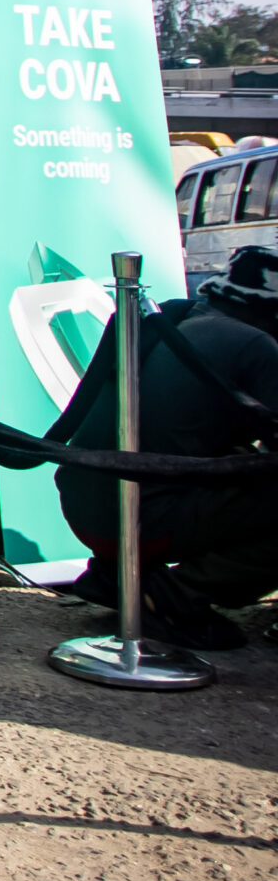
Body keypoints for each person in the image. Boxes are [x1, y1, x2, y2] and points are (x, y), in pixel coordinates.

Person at [57, 245, 278, 650]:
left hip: (86, 508)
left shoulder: (174, 316)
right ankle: (176, 593)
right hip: (140, 523)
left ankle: (117, 576)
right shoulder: (258, 346)